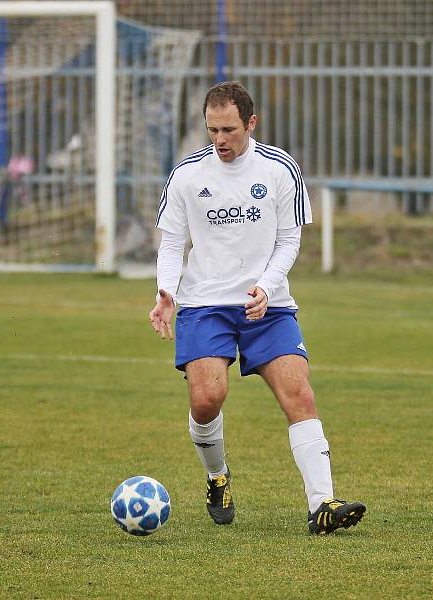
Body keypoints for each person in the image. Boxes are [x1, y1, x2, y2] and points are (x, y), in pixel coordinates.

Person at [149, 81, 365, 535]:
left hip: (268, 305)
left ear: (251, 123)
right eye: (212, 130)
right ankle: (217, 476)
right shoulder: (188, 175)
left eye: (228, 129)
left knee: (300, 395)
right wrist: (166, 291)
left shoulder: (279, 169)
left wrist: (266, 286)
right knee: (207, 399)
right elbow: (172, 242)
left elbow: (290, 239)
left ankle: (321, 503)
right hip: (205, 303)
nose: (220, 140)